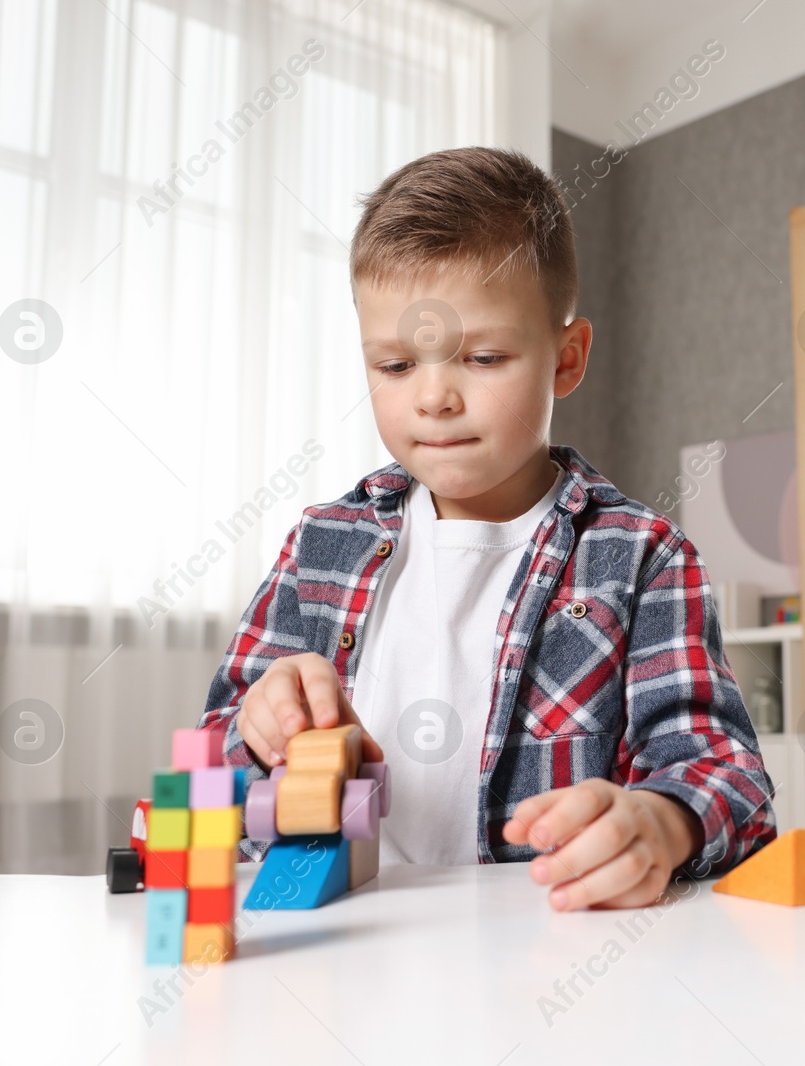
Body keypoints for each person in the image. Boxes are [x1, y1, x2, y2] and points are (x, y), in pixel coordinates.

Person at [198, 146, 774, 911]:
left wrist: (662, 823)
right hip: (342, 948)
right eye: (397, 365)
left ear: (566, 360)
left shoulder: (640, 559)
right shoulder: (321, 545)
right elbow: (210, 775)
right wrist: (256, 722)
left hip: (544, 952)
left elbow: (725, 770)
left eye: (484, 356)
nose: (434, 397)